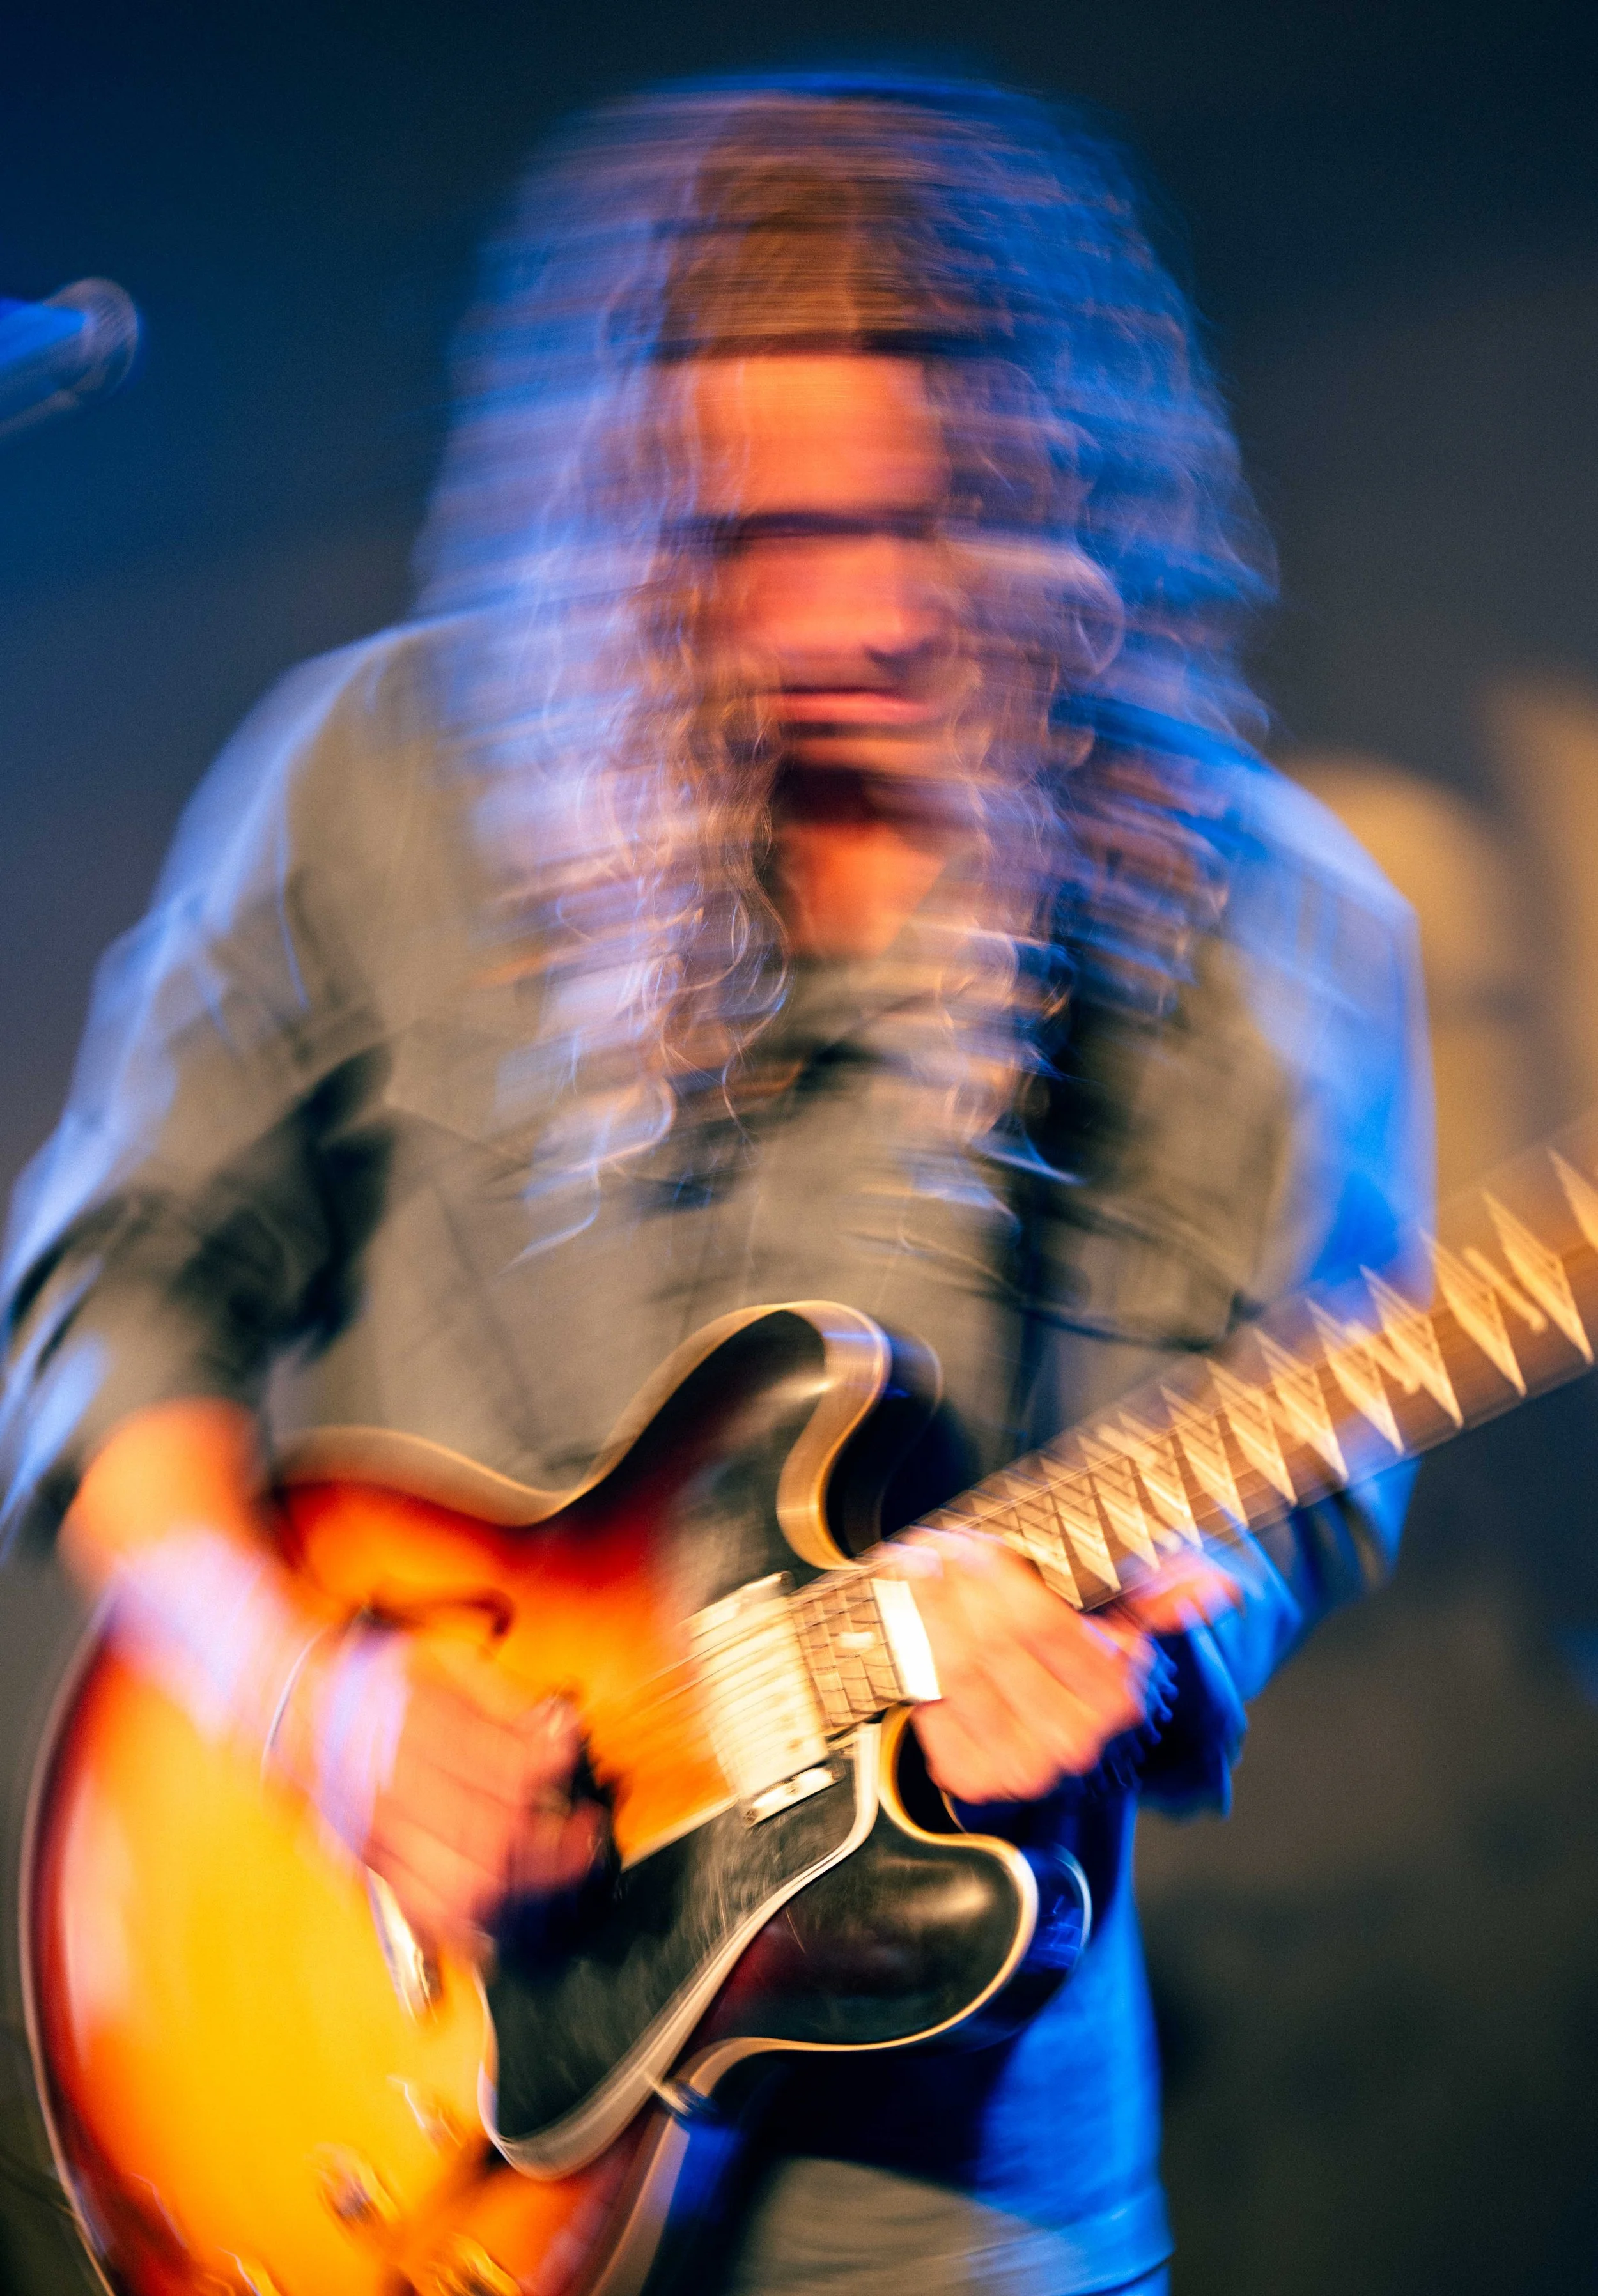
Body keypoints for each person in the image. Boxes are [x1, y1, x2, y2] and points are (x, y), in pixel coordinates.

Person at [0, 75, 1429, 2296]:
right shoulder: (380, 780)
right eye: (761, 539)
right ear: (633, 527)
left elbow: (1279, 1484)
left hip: (949, 2177)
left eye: (938, 519)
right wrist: (314, 1703)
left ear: (1075, 495)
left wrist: (1124, 1663)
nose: (864, 611)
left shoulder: (1268, 932)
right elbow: (117, 1304)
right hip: (361, 2037)